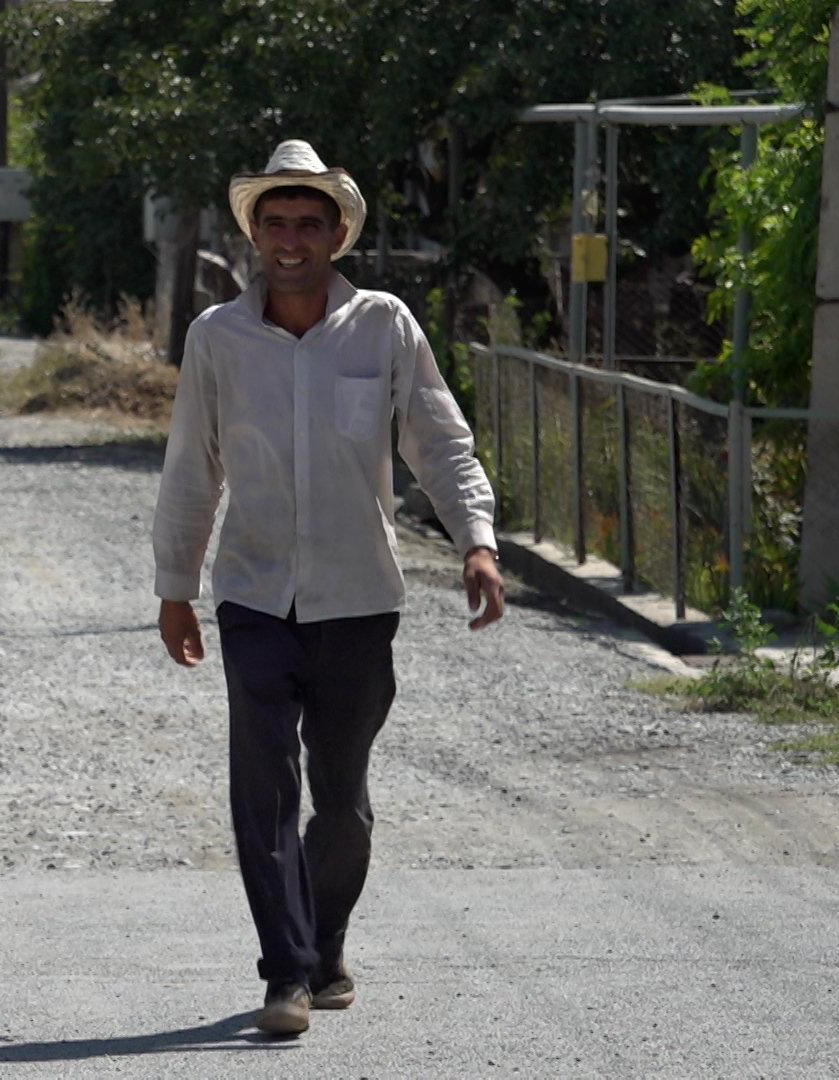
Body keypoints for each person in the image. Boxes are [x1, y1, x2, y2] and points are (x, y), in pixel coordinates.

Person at [151, 140, 505, 1038]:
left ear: (338, 232)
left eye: (309, 222)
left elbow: (438, 439)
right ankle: (286, 972)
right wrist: (175, 586)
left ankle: (328, 940)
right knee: (263, 789)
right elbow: (192, 467)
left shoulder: (384, 325)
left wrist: (477, 541)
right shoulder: (216, 338)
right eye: (275, 222)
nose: (291, 238)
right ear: (254, 234)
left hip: (358, 599)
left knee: (341, 799)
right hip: (254, 596)